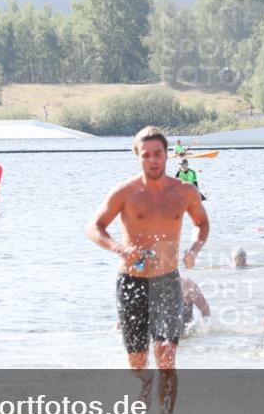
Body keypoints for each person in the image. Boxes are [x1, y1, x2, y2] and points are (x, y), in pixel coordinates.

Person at [87, 126, 209, 370]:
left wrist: (194, 249)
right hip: (132, 282)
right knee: (138, 363)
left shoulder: (185, 191)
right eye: (146, 155)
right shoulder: (125, 192)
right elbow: (94, 227)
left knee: (166, 356)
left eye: (158, 154)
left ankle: (167, 397)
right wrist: (120, 249)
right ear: (137, 157)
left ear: (166, 154)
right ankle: (142, 391)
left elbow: (202, 223)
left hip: (168, 281)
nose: (153, 160)